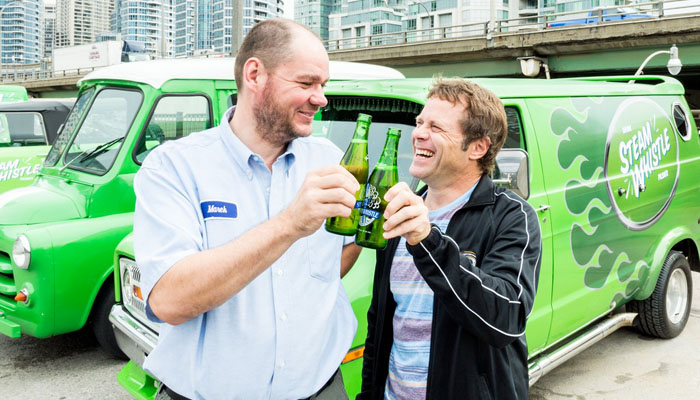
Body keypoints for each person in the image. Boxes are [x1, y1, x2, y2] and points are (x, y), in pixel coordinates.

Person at [133, 19, 362, 400]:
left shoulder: (328, 159)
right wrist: (289, 224)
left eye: (323, 85)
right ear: (255, 74)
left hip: (322, 389)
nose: (320, 98)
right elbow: (169, 301)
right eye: (306, 84)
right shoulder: (173, 167)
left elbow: (339, 252)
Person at [358, 78, 542, 399]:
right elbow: (381, 323)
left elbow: (507, 319)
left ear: (477, 147)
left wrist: (428, 241)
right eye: (419, 123)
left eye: (436, 127)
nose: (418, 133)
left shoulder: (512, 216)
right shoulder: (401, 210)